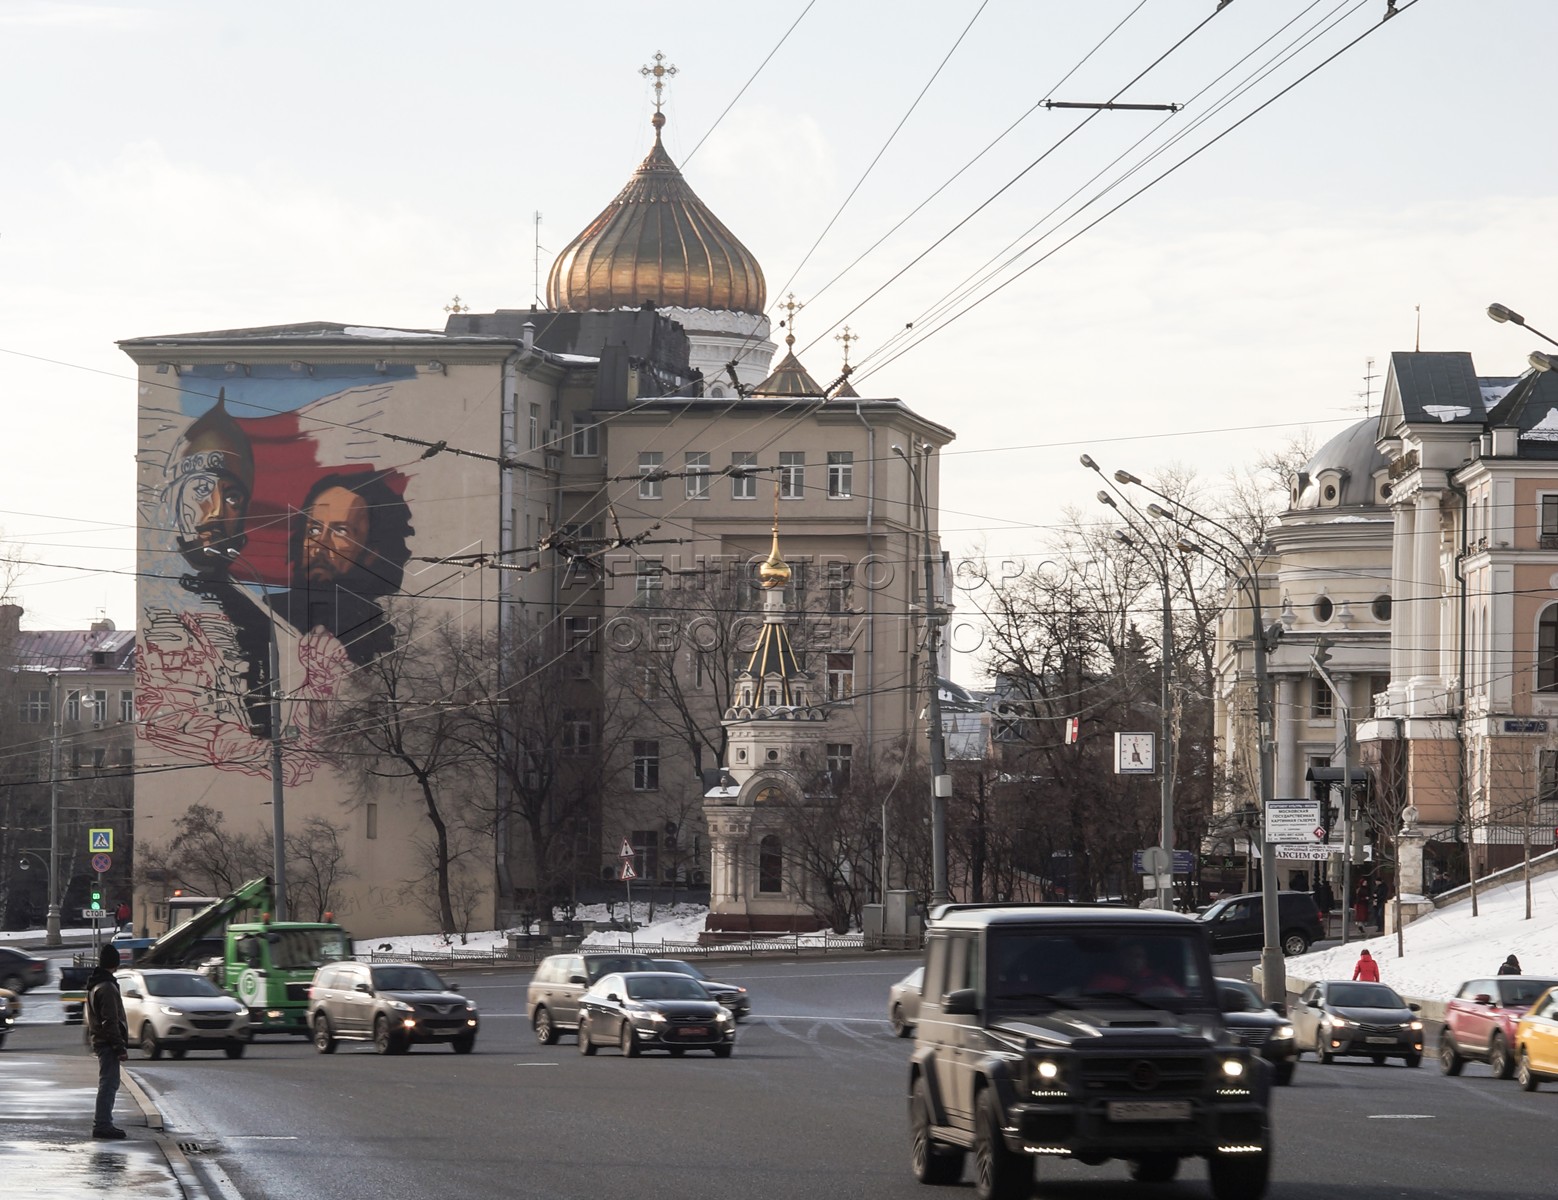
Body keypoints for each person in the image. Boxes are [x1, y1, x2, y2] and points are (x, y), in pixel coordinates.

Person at [267, 471, 413, 665]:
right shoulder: (268, 613)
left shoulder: (378, 636)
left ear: (372, 551)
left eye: (340, 531)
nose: (321, 544)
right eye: (314, 530)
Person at [85, 943, 130, 1139]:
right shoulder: (108, 987)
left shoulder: (96, 984)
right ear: (116, 963)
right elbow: (110, 1021)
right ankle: (103, 1124)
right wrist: (119, 1046)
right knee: (109, 1084)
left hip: (101, 1040)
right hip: (107, 1043)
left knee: (108, 1082)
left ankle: (103, 1123)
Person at [1087, 940, 1184, 997]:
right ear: (1120, 958)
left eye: (1139, 956)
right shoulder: (1104, 980)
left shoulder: (1158, 980)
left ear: (1145, 960)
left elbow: (1180, 997)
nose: (1135, 960)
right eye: (1129, 955)